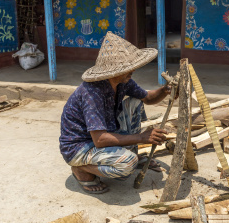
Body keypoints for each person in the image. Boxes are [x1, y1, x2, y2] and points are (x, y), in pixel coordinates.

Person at [59, 31, 170, 194]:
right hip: (80, 146)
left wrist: (165, 91)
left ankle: (128, 152)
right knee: (127, 164)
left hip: (104, 136)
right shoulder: (92, 92)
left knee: (135, 102)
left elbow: (147, 98)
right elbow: (100, 140)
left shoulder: (123, 81)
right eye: (127, 68)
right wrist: (141, 137)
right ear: (113, 70)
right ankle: (81, 169)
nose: (132, 71)